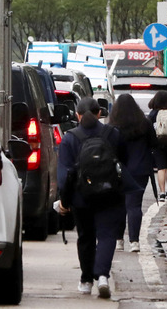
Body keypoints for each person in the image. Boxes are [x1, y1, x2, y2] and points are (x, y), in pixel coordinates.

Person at [56, 97, 141, 299]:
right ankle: (102, 275)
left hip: (81, 197)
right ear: (99, 114)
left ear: (77, 115)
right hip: (110, 193)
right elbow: (123, 161)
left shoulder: (70, 138)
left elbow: (65, 174)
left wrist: (65, 201)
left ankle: (86, 280)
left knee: (85, 236)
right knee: (106, 235)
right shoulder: (113, 134)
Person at [108, 94, 157, 253]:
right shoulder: (145, 123)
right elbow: (153, 144)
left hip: (119, 170)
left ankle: (118, 240)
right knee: (134, 205)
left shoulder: (113, 127)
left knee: (118, 205)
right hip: (141, 169)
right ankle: (134, 241)